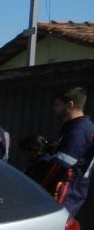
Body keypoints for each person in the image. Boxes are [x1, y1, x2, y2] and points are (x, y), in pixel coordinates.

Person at [32, 87, 94, 217]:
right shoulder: (79, 127)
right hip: (71, 194)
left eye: (57, 105)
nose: (53, 109)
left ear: (70, 105)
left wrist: (37, 190)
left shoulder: (78, 131)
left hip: (64, 195)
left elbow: (59, 168)